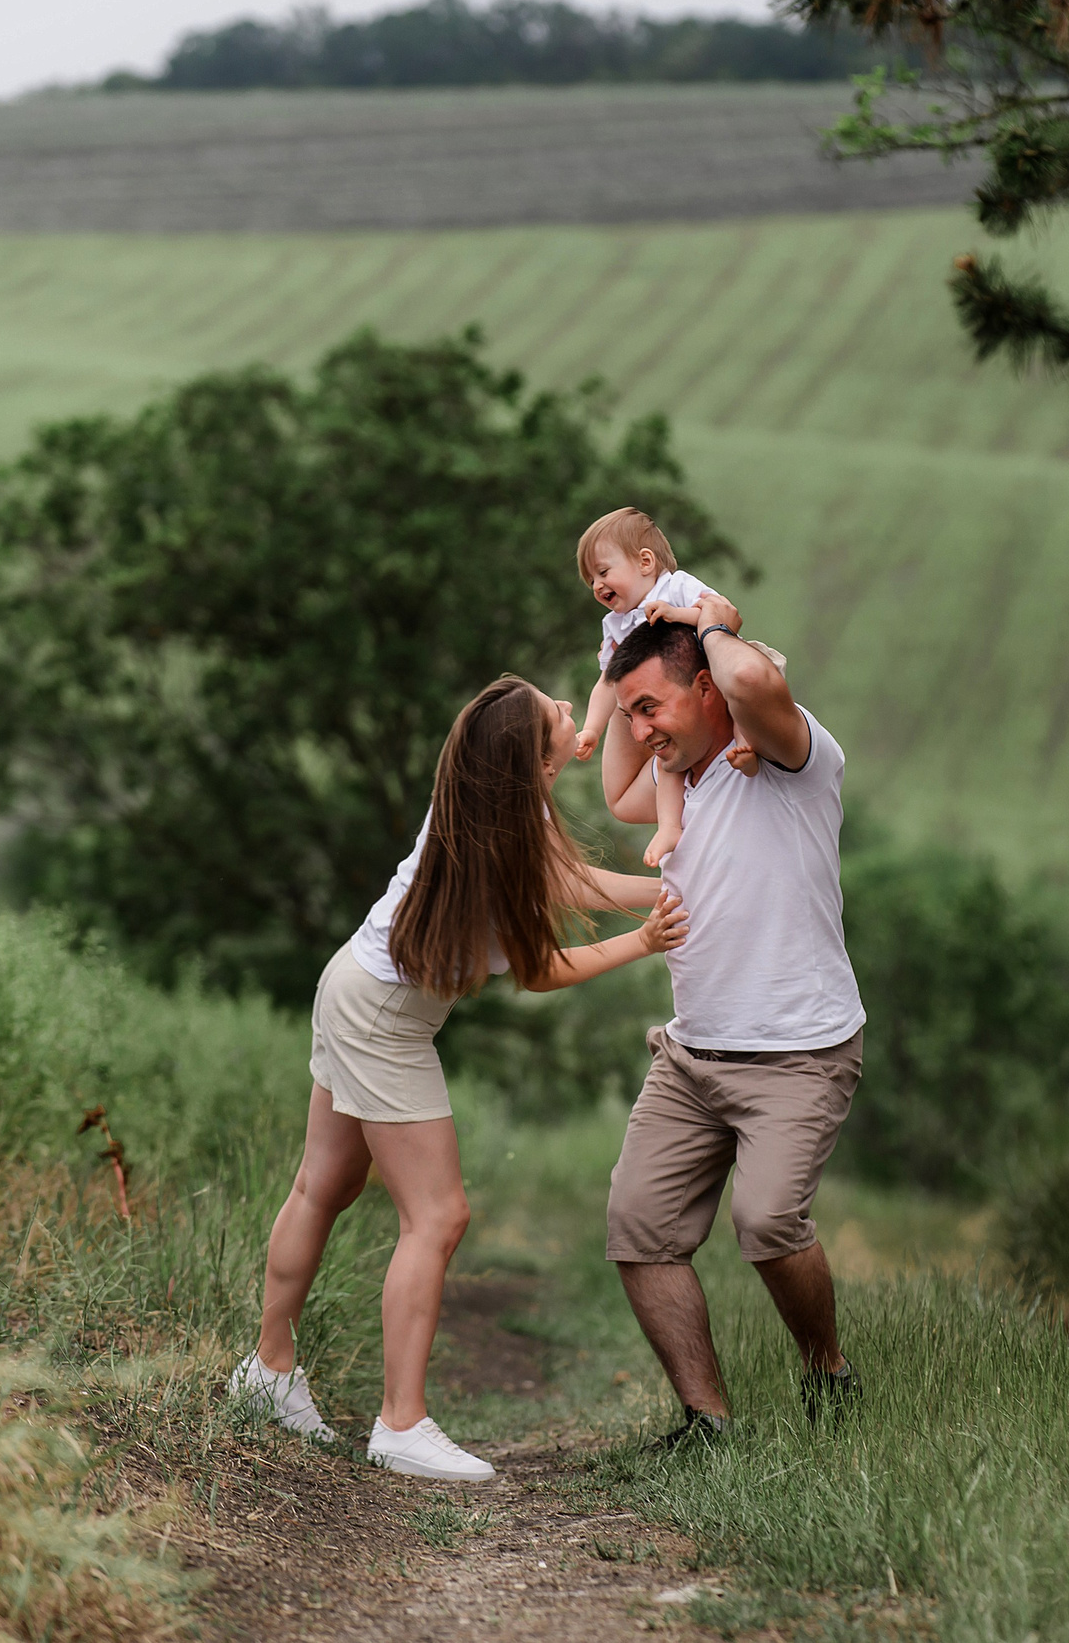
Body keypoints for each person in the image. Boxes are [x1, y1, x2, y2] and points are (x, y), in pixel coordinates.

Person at [230, 675, 686, 1481]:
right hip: (384, 1018)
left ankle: (267, 1373)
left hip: (353, 983)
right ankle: (401, 1423)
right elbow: (540, 971)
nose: (571, 709)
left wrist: (685, 891)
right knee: (438, 1215)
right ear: (535, 761)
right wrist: (644, 941)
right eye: (555, 713)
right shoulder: (506, 841)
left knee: (323, 1184)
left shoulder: (496, 803)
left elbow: (581, 883)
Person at [599, 607, 866, 1445]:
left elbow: (753, 679)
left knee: (767, 1221)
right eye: (631, 713)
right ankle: (707, 1422)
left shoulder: (788, 758)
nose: (641, 731)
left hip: (798, 1053)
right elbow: (616, 797)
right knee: (639, 1227)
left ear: (709, 688)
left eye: (652, 707)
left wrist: (708, 621)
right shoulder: (678, 785)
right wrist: (614, 664)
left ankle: (828, 1372)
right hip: (690, 1056)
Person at [571, 507, 761, 868]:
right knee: (669, 759)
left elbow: (722, 616)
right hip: (681, 713)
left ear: (645, 562)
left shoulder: (677, 587)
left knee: (740, 697)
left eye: (603, 572)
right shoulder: (615, 625)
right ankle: (670, 826)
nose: (597, 585)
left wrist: (678, 615)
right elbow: (607, 681)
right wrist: (592, 729)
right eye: (591, 579)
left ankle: (747, 746)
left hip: (714, 678)